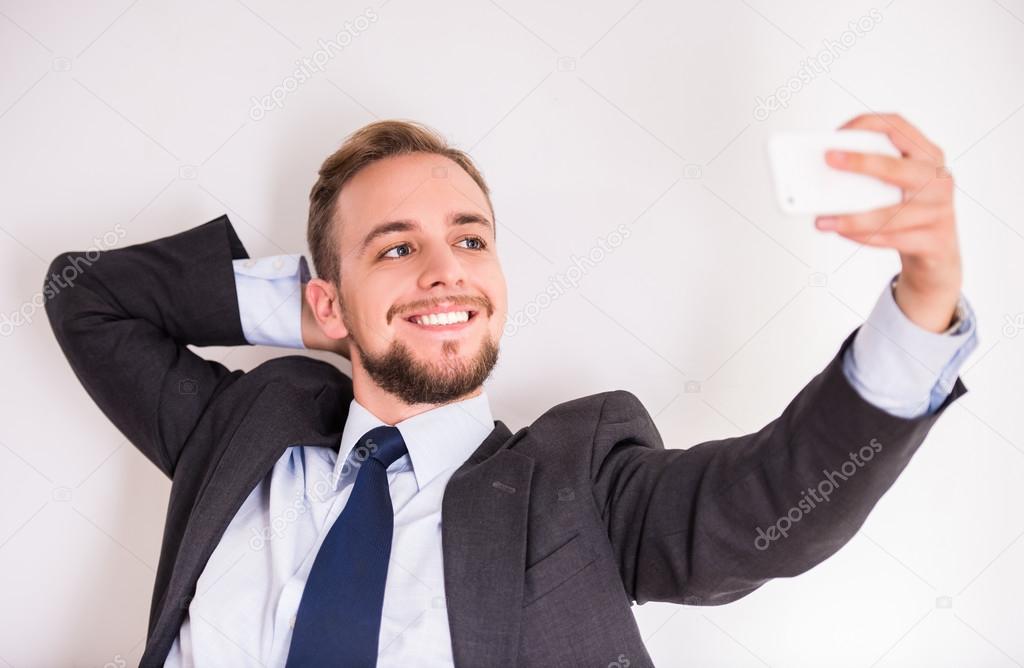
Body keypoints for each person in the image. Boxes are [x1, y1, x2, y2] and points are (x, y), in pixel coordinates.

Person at [44, 114, 977, 667]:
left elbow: (771, 510)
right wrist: (321, 307)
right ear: (326, 298)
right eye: (399, 247)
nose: (448, 272)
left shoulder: (574, 479)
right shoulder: (247, 430)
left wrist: (924, 300)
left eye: (471, 239)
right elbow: (85, 296)